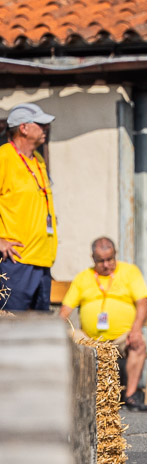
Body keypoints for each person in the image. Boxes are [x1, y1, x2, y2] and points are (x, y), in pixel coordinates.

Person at [60, 237, 147, 412]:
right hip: (91, 339)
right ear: (92, 258)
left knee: (139, 342)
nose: (106, 264)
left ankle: (130, 395)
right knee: (66, 338)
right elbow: (65, 310)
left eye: (110, 259)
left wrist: (136, 330)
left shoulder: (130, 272)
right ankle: (77, 396)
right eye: (100, 260)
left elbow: (143, 303)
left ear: (115, 255)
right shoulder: (83, 278)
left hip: (122, 337)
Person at [0, 103, 57, 311]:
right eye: (40, 124)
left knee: (38, 332)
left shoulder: (38, 160)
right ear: (23, 128)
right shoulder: (4, 157)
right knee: (12, 329)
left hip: (41, 261)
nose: (45, 128)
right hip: (15, 263)